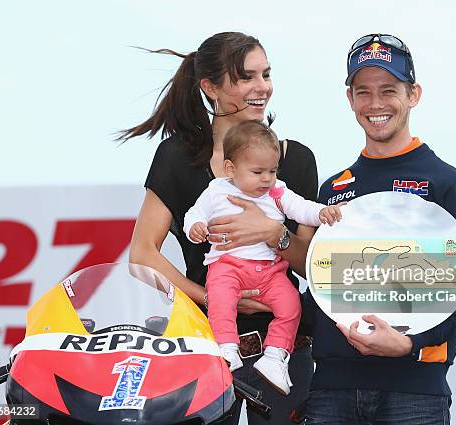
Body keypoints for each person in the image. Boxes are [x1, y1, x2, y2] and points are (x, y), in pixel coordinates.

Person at [121, 32, 318, 424]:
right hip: (205, 347)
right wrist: (210, 297)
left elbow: (310, 265)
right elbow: (141, 255)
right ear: (210, 87)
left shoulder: (296, 161)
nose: (262, 87)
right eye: (247, 77)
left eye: (266, 74)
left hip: (283, 351)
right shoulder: (177, 156)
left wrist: (270, 232)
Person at [304, 34, 456, 425]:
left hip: (414, 391)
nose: (375, 104)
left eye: (389, 90)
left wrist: (409, 344)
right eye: (363, 92)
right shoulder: (332, 190)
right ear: (349, 98)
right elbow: (321, 289)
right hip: (331, 390)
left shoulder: (450, 185)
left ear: (413, 94)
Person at [184, 120, 342, 395]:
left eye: (272, 170)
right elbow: (193, 214)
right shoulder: (217, 191)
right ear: (231, 168)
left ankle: (275, 356)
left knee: (291, 304)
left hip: (270, 271)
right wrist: (195, 227)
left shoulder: (277, 191)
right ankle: (226, 349)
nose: (266, 179)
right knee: (220, 301)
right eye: (257, 171)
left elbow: (300, 208)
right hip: (227, 267)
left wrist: (322, 213)